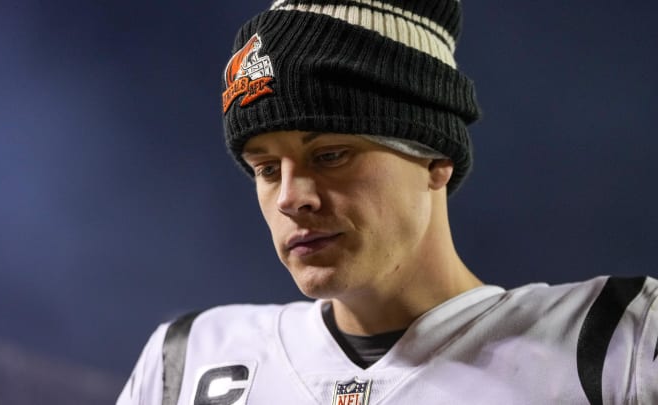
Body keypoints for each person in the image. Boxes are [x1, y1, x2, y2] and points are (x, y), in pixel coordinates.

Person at [118, 1, 658, 404]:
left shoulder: (621, 342)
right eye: (265, 169)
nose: (290, 197)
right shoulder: (187, 362)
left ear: (436, 158)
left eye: (330, 154)